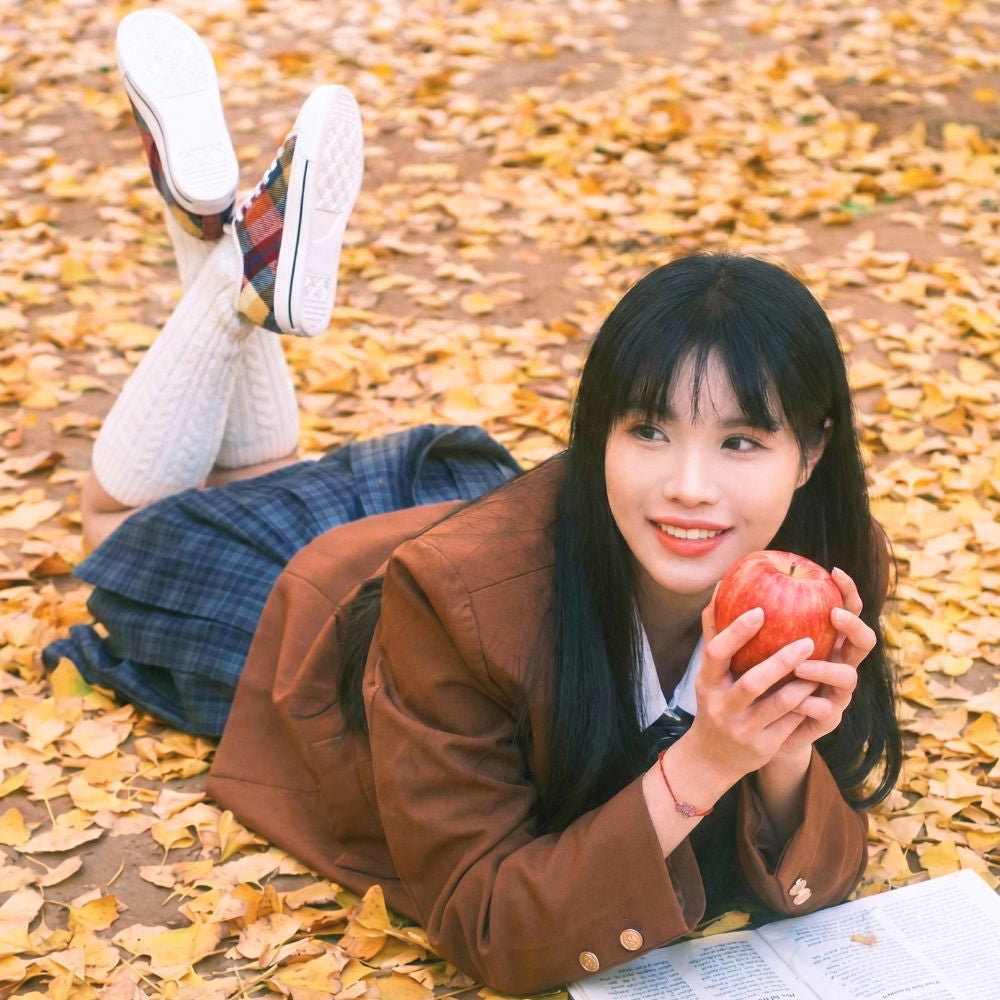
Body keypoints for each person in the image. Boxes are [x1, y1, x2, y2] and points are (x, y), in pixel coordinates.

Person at [44, 8, 901, 994]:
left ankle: (223, 241)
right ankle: (232, 265)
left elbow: (818, 877)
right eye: (649, 430)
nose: (692, 486)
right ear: (597, 436)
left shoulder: (828, 570)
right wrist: (708, 761)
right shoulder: (462, 606)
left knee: (251, 474)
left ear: (811, 451)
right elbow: (492, 930)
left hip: (470, 534)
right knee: (122, 526)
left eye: (741, 440)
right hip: (333, 636)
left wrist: (783, 754)